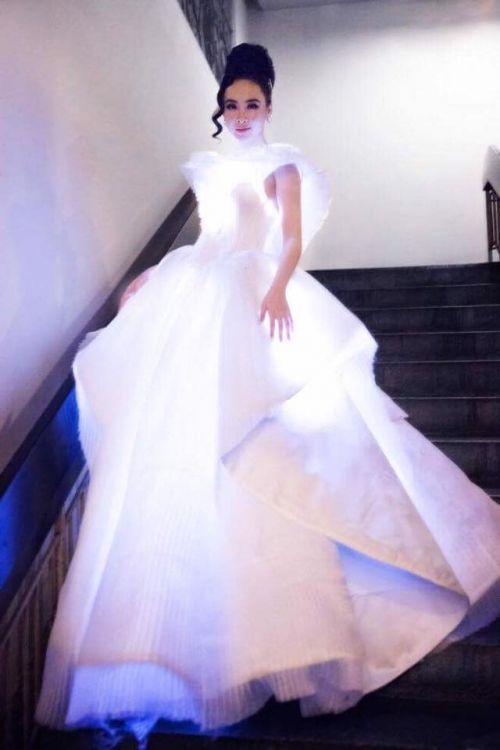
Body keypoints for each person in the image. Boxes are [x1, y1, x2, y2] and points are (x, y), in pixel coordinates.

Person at [35, 43, 500, 747]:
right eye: (232, 104)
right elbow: (209, 240)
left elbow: (288, 240)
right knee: (190, 440)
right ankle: (184, 639)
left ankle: (300, 627)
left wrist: (278, 288)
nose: (243, 114)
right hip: (201, 292)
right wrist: (153, 278)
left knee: (264, 434)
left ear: (270, 106)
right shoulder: (210, 168)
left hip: (255, 295)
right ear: (221, 109)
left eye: (253, 103)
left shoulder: (282, 166)